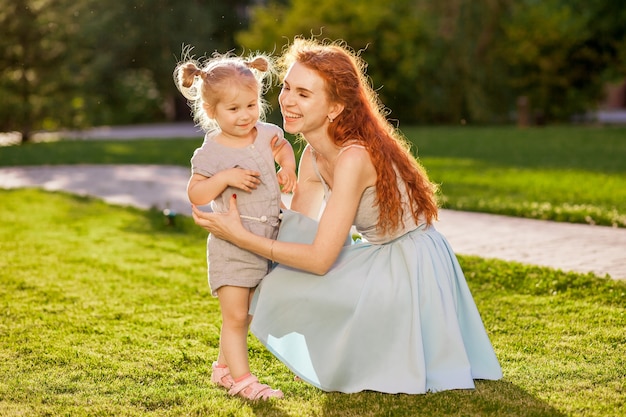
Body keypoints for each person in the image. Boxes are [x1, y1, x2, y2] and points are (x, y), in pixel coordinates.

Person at [191, 38, 502, 394]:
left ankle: (330, 356)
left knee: (296, 275)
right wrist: (247, 220)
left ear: (335, 107)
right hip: (380, 256)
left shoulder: (353, 157)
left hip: (412, 266)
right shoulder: (311, 155)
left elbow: (320, 259)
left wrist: (240, 236)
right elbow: (295, 234)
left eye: (304, 94)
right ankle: (226, 365)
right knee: (269, 278)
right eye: (288, 88)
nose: (288, 101)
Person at [174, 50, 296, 400]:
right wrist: (226, 177)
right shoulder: (211, 152)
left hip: (266, 240)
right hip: (231, 248)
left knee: (250, 315)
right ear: (211, 112)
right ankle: (243, 382)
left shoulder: (265, 133)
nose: (246, 116)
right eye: (234, 109)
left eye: (251, 105)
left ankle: (223, 370)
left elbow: (283, 147)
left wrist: (287, 167)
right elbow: (196, 193)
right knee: (236, 317)